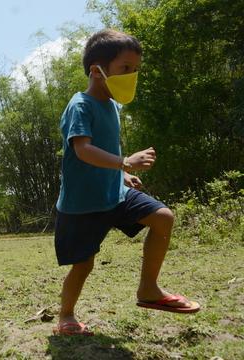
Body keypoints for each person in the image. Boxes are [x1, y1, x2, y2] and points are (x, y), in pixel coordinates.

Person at [53, 29, 200, 336]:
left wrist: (121, 173)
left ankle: (148, 289)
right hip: (83, 205)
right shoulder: (80, 105)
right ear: (97, 70)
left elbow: (107, 152)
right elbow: (82, 150)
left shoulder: (112, 106)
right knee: (83, 265)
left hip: (114, 194)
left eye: (135, 70)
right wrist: (124, 162)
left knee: (163, 218)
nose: (132, 75)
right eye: (125, 69)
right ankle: (66, 315)